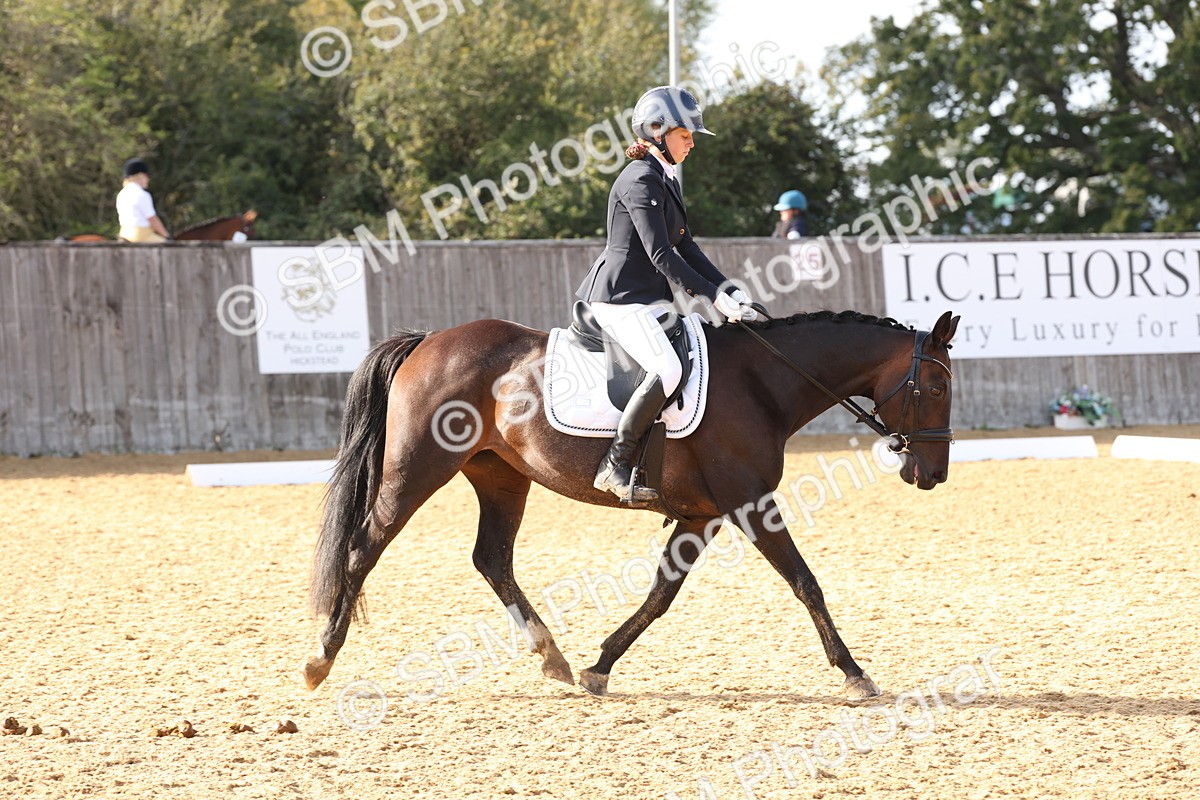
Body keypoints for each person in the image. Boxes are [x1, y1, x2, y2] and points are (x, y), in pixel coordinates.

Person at [575, 85, 756, 503]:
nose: (692, 143)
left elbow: (685, 245)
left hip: (646, 298)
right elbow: (659, 253)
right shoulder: (640, 180)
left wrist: (726, 289)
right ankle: (615, 464)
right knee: (669, 370)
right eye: (685, 135)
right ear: (657, 131)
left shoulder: (663, 177)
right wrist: (709, 294)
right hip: (620, 297)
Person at [116, 158, 171, 242]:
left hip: (123, 235)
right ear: (140, 175)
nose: (148, 180)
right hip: (140, 236)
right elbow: (152, 219)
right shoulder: (142, 194)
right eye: (147, 176)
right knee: (169, 248)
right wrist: (166, 236)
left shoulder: (121, 194)